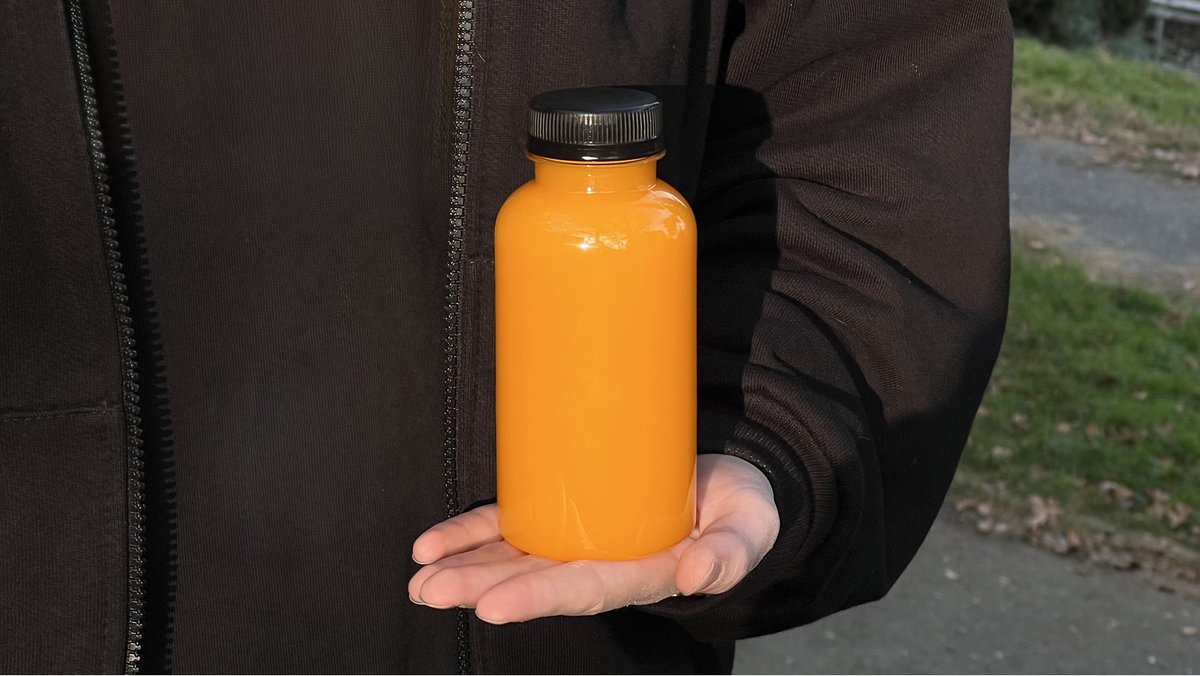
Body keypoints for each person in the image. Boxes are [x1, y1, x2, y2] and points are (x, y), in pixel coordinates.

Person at [0, 0, 1013, 673]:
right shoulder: (554, 220)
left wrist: (768, 430)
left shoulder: (635, 218)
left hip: (559, 635)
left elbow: (869, 120)